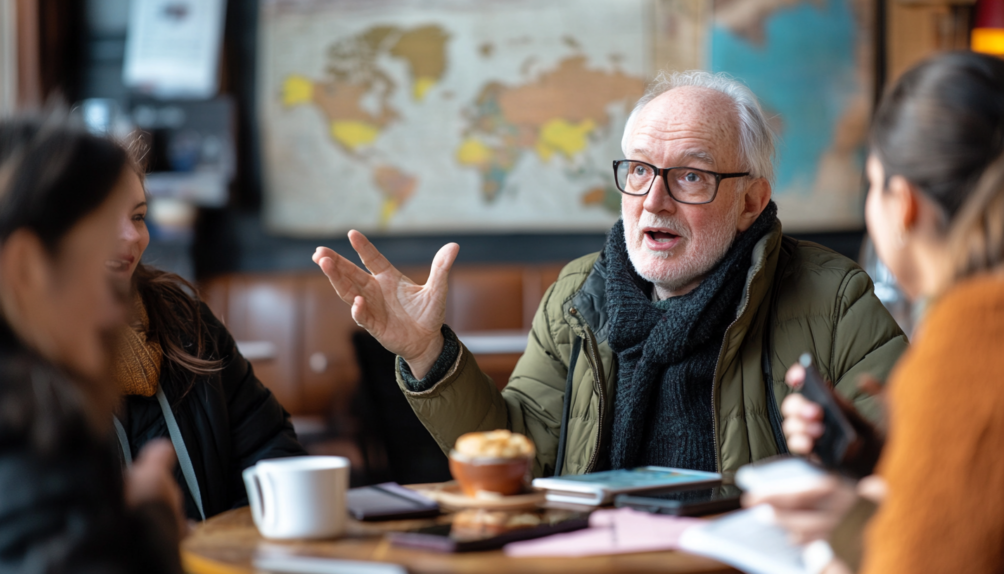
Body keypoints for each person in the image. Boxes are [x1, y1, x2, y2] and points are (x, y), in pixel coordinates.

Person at [313, 71, 907, 478]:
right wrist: (426, 354)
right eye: (640, 171)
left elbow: (905, 454)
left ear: (751, 202)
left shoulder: (833, 298)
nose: (654, 201)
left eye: (691, 177)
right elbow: (521, 455)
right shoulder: (576, 296)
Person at [751, 51, 1004, 573]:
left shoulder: (972, 341)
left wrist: (845, 528)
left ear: (903, 202)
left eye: (871, 182)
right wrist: (883, 455)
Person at [0, 116, 184, 572]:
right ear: (26, 268)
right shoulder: (17, 429)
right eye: (97, 265)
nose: (119, 312)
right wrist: (150, 530)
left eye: (139, 217)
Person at [109, 141, 306, 521]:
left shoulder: (183, 318)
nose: (133, 237)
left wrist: (225, 548)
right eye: (105, 217)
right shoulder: (14, 356)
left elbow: (271, 450)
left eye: (138, 216)